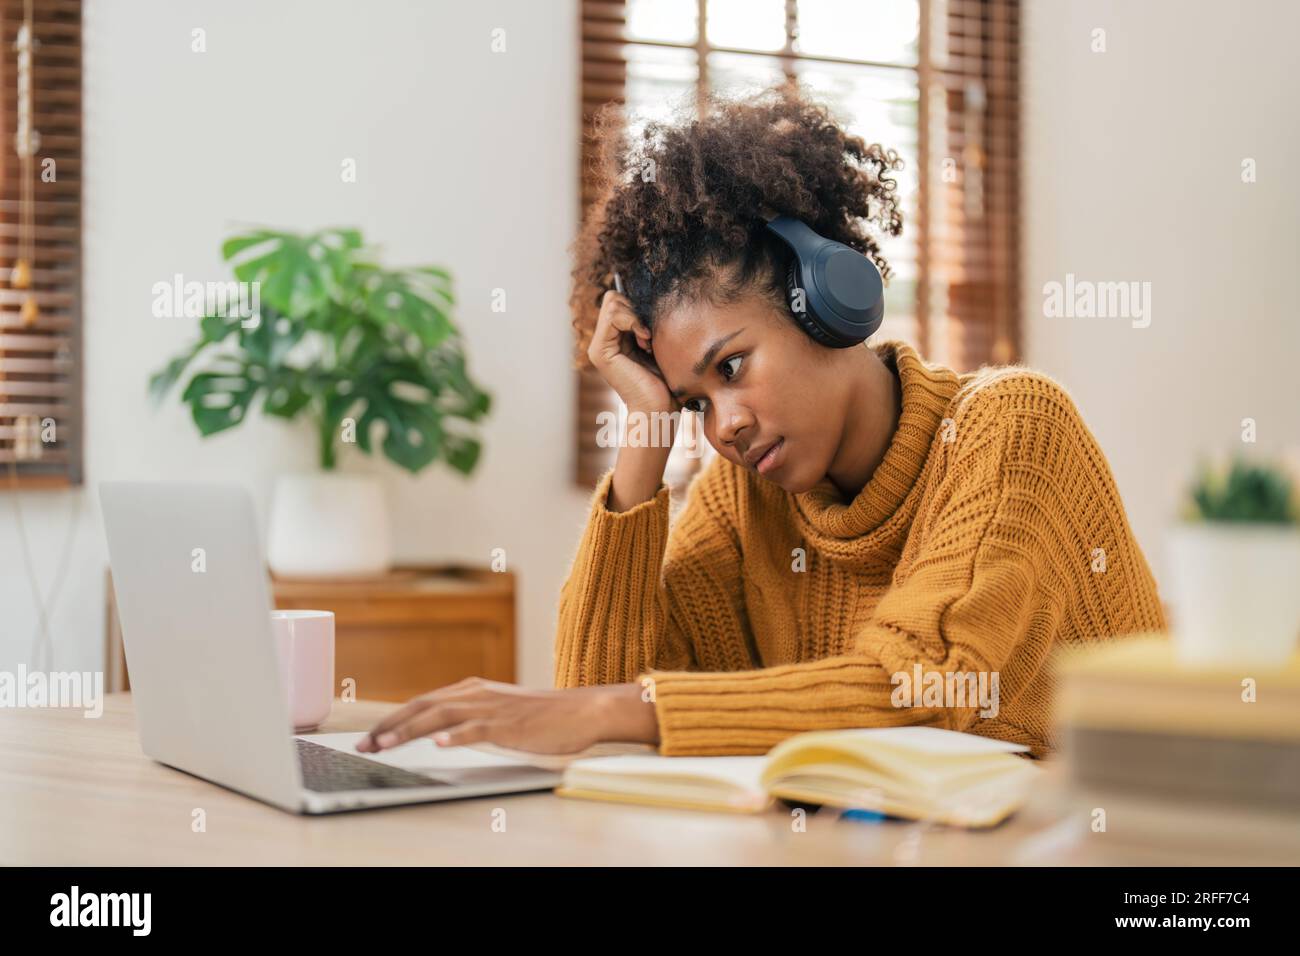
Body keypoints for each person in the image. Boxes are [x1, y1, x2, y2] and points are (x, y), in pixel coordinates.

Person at [358, 84, 1165, 761]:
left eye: (731, 367)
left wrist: (618, 712)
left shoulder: (1010, 427)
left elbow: (926, 689)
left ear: (827, 302)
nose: (724, 429)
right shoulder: (744, 499)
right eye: (695, 402)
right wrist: (645, 432)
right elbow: (589, 704)